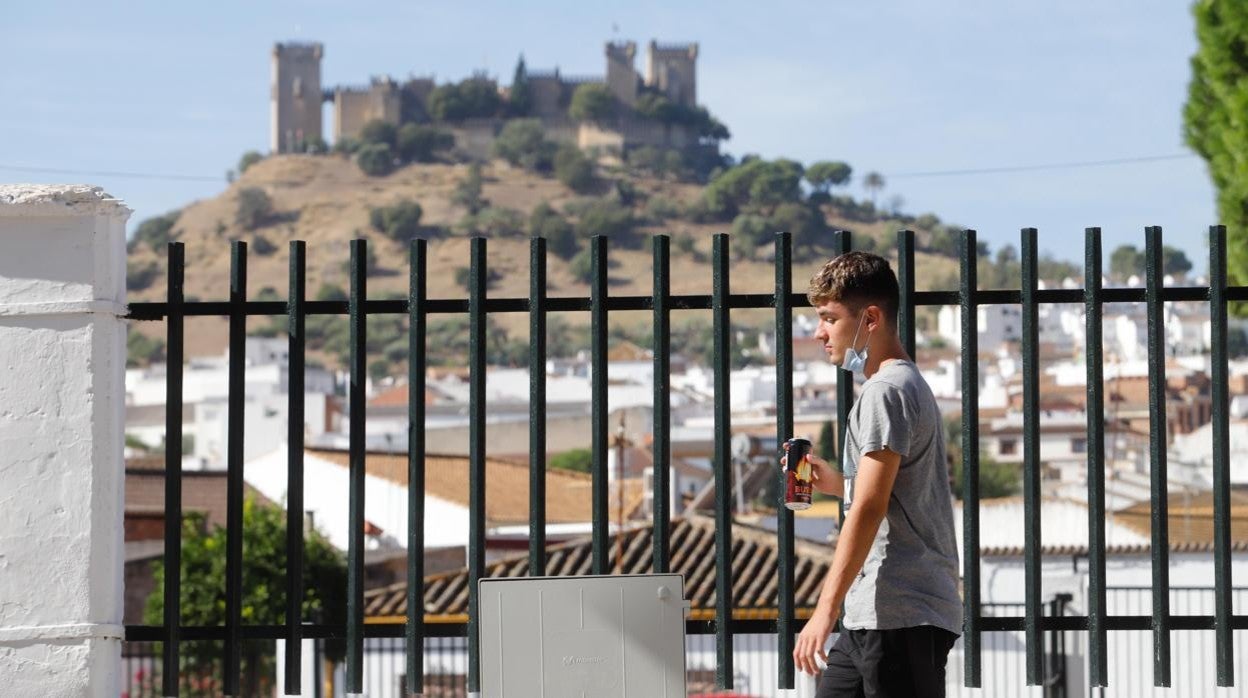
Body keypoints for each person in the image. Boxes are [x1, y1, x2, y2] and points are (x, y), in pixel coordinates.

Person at [791, 251, 962, 697]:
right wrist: (834, 484)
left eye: (829, 318)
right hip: (876, 613)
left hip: (899, 614)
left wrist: (823, 611)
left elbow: (869, 507)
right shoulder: (902, 384)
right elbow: (889, 490)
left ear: (870, 318)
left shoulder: (886, 391)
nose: (818, 332)